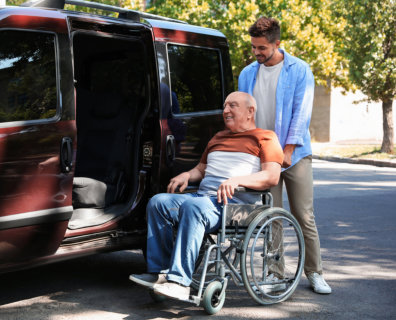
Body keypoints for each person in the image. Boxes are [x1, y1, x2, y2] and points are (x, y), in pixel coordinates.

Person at [129, 91, 284, 301]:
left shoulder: (265, 137)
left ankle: (180, 282)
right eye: (225, 106)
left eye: (233, 106)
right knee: (158, 202)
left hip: (236, 206)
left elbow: (271, 176)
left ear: (250, 111)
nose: (226, 110)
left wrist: (237, 180)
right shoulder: (218, 137)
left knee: (194, 208)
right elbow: (201, 170)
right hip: (205, 199)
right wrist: (186, 174)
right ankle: (160, 272)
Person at [238, 17, 331, 294]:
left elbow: (302, 114)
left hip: (295, 154)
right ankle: (275, 273)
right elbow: (244, 116)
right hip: (264, 156)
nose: (257, 53)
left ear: (277, 43)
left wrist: (287, 151)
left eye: (262, 48)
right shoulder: (247, 74)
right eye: (254, 47)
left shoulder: (299, 70)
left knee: (304, 215)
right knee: (271, 215)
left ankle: (315, 273)